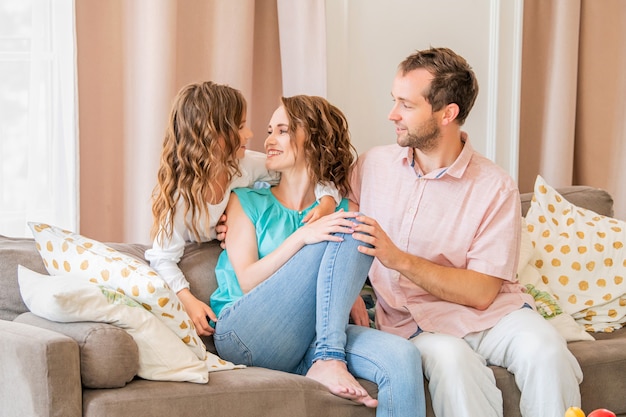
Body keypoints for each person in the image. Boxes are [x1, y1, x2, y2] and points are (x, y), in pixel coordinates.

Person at [348, 47, 583, 417]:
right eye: (394, 101)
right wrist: (347, 294)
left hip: (491, 315)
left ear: (447, 113)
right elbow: (332, 213)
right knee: (454, 364)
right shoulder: (372, 166)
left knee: (548, 351)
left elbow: (481, 293)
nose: (392, 114)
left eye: (406, 105)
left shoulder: (495, 187)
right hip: (414, 325)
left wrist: (400, 260)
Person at [210, 95, 425, 416]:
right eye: (270, 130)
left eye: (281, 131)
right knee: (353, 226)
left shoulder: (341, 209)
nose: (268, 140)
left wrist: (347, 291)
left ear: (312, 140)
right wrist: (302, 237)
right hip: (245, 331)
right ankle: (329, 358)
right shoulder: (246, 201)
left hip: (313, 333)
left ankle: (327, 355)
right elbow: (247, 280)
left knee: (402, 357)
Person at [146, 81, 339, 336]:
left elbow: (299, 172)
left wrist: (327, 200)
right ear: (211, 134)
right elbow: (162, 257)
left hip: (229, 247)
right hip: (196, 254)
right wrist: (188, 301)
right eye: (239, 127)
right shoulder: (178, 193)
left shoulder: (242, 167)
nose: (249, 134)